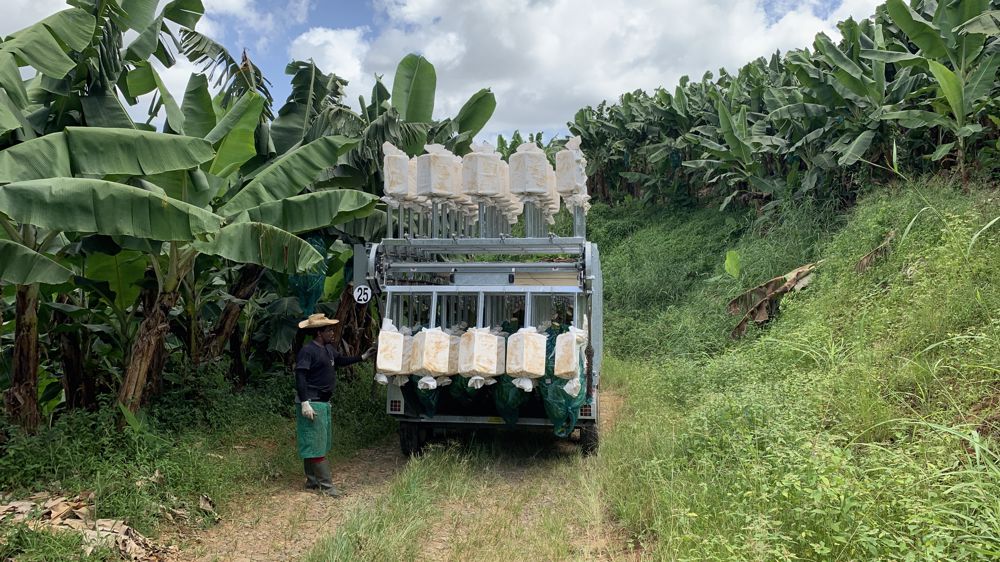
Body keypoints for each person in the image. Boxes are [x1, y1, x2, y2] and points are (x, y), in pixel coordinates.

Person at [294, 313, 374, 497]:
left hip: (322, 402)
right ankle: (327, 487)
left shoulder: (328, 349)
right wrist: (305, 402)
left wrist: (362, 357)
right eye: (329, 330)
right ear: (319, 333)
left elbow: (340, 361)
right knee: (316, 443)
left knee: (315, 442)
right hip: (312, 401)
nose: (332, 333)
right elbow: (300, 376)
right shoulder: (308, 351)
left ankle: (312, 481)